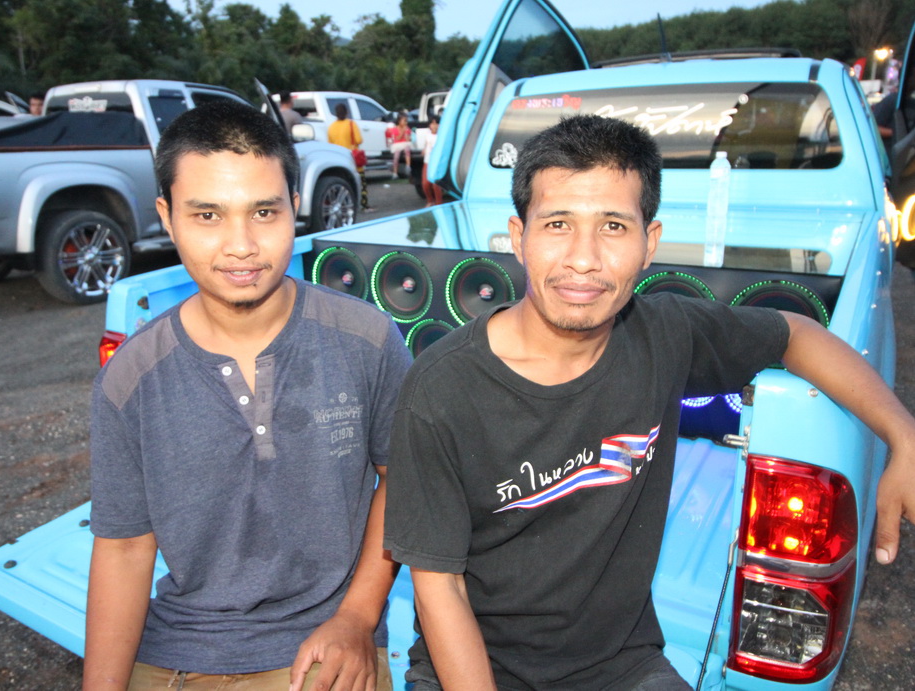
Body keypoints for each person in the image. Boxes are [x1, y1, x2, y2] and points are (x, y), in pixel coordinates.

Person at [383, 114, 915, 690]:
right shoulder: (442, 390)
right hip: (471, 666)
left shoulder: (663, 334)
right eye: (557, 223)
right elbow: (439, 587)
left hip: (622, 663)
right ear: (518, 237)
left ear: (649, 243)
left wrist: (903, 434)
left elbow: (794, 334)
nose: (583, 258)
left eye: (613, 226)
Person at [84, 99, 411, 690]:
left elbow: (403, 478)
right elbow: (124, 549)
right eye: (207, 215)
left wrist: (358, 618)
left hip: (324, 644)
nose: (241, 245)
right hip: (176, 648)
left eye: (263, 212)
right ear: (167, 217)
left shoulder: (366, 340)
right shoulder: (129, 378)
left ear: (295, 206)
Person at [328, 103, 372, 212]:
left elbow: (330, 143)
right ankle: (364, 205)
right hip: (352, 157)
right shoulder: (351, 124)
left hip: (338, 158)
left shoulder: (331, 127)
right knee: (361, 183)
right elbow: (359, 140)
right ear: (346, 112)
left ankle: (346, 205)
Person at [419, 115, 443, 207]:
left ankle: (439, 203)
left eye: (436, 123)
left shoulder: (441, 136)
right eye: (432, 123)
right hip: (428, 161)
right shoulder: (428, 135)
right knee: (425, 183)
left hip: (437, 162)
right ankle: (430, 200)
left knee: (436, 184)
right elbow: (426, 145)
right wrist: (424, 150)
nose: (434, 126)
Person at [385, 113, 412, 179]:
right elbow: (398, 138)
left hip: (405, 144)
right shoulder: (395, 129)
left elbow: (408, 139)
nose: (405, 122)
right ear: (399, 121)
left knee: (407, 150)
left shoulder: (407, 129)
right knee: (396, 156)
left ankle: (408, 166)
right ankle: (395, 172)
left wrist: (406, 133)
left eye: (406, 121)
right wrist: (402, 131)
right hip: (397, 145)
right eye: (404, 121)